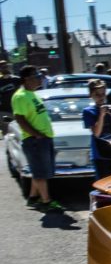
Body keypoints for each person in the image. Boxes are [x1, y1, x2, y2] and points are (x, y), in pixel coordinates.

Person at [11, 66, 62, 211]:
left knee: (39, 170)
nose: (39, 77)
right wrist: (36, 134)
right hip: (34, 140)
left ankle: (33, 198)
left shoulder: (32, 93)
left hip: (43, 138)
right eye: (35, 75)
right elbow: (19, 118)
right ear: (26, 79)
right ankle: (46, 201)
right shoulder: (20, 96)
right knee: (40, 173)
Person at [82, 78, 111, 179]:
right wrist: (101, 115)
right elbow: (96, 133)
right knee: (103, 183)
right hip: (100, 154)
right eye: (97, 94)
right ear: (91, 95)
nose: (101, 97)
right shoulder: (88, 111)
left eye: (103, 94)